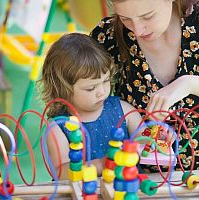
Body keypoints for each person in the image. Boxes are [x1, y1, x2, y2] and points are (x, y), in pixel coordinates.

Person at [90, 0, 199, 173]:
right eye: (125, 18)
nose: (137, 29)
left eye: (147, 16)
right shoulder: (108, 36)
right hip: (145, 182)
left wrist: (190, 83)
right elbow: (76, 105)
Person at [37, 33, 144, 180]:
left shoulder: (124, 111)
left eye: (106, 81)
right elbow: (60, 173)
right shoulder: (58, 128)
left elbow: (144, 141)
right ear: (63, 90)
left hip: (126, 190)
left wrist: (158, 138)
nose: (101, 92)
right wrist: (100, 164)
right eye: (91, 88)